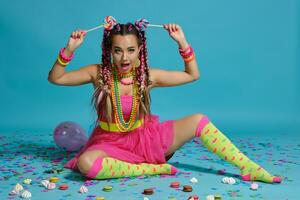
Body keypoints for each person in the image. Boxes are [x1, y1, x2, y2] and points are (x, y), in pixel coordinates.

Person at [48, 18, 281, 183]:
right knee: (86, 164)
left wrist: (181, 42)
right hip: (109, 144)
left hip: (145, 138)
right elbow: (56, 78)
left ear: (140, 49)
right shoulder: (99, 73)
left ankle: (250, 168)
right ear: (110, 50)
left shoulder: (146, 76)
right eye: (118, 50)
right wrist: (69, 50)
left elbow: (192, 74)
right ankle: (149, 169)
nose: (125, 57)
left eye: (131, 50)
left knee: (198, 120)